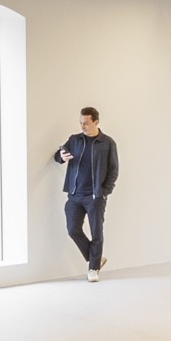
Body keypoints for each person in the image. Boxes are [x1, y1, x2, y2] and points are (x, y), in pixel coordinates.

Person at [54, 107, 119, 282]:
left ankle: (93, 268)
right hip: (74, 195)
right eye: (80, 123)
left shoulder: (107, 143)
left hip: (95, 196)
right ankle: (96, 259)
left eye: (86, 123)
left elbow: (114, 170)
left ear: (96, 122)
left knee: (97, 232)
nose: (82, 126)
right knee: (73, 230)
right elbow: (58, 156)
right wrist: (61, 156)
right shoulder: (74, 140)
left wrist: (104, 192)